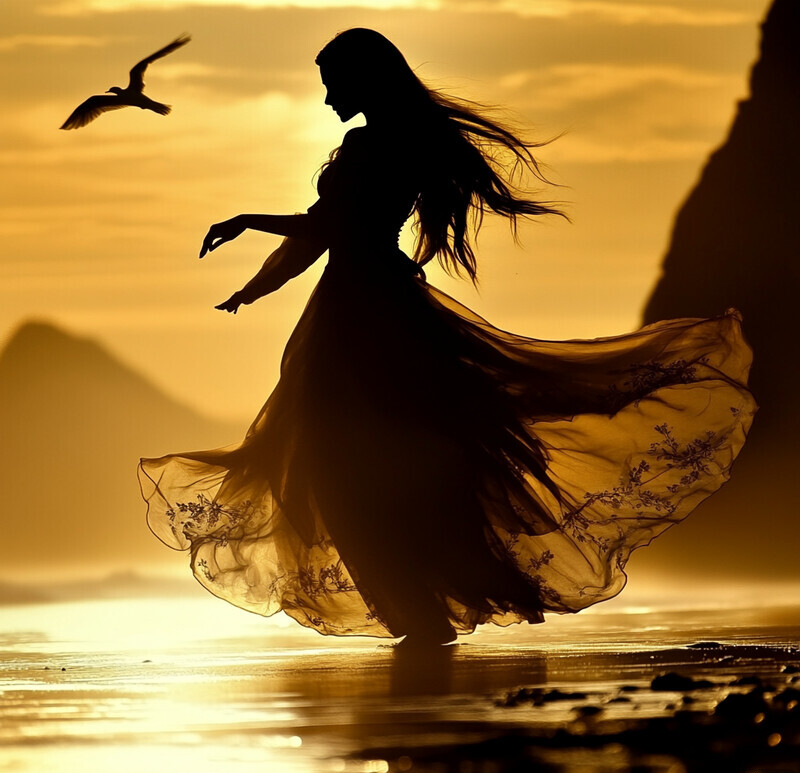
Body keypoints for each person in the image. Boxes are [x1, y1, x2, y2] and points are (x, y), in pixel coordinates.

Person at [138, 28, 755, 648]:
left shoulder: (389, 146)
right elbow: (319, 239)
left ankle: (420, 612)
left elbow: (337, 225)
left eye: (333, 81)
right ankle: (416, 610)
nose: (326, 97)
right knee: (344, 462)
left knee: (350, 463)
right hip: (356, 312)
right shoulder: (377, 142)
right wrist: (255, 288)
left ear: (365, 78)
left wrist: (245, 220)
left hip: (372, 319)